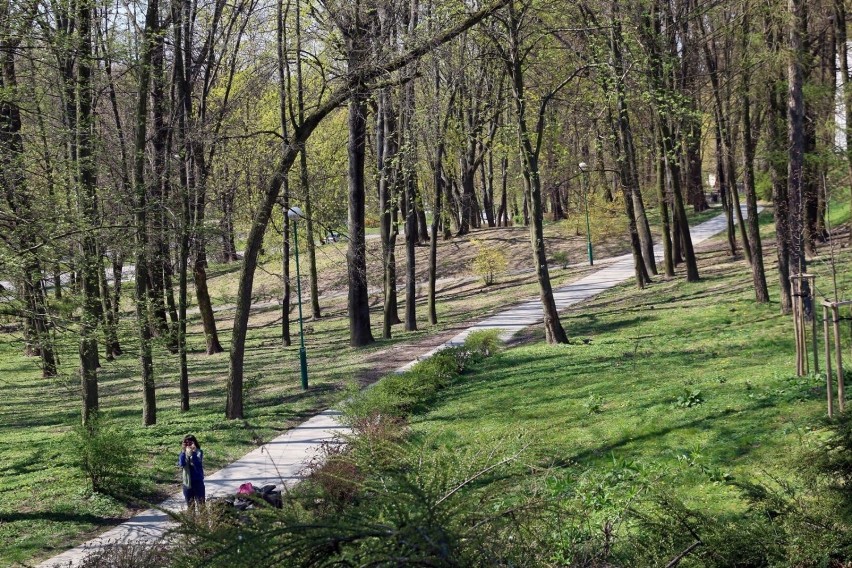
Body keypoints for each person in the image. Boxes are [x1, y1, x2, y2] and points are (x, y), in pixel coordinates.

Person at [178, 434, 205, 507]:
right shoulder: (182, 453)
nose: (188, 444)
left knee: (201, 505)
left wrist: (193, 452)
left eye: (190, 442)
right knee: (190, 507)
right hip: (187, 483)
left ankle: (203, 518)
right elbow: (181, 464)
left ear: (194, 443)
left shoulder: (199, 452)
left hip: (198, 482)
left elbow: (197, 464)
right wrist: (183, 452)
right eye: (186, 443)